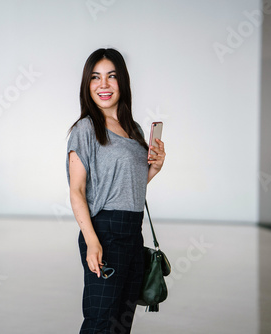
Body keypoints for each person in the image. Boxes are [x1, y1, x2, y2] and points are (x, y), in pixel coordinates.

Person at [67, 48, 166, 333]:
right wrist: (92, 241)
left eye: (111, 76)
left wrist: (154, 169)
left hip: (133, 234)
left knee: (121, 325)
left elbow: (126, 186)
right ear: (88, 85)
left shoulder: (133, 129)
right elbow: (77, 190)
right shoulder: (85, 129)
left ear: (122, 81)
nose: (104, 85)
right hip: (104, 233)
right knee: (100, 323)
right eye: (96, 78)